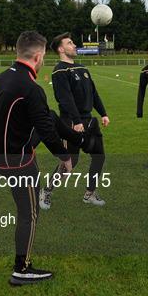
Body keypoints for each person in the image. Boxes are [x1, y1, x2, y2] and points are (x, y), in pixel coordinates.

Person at [0, 31, 82, 285]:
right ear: (37, 56)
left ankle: (78, 137)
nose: (43, 59)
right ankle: (21, 269)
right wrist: (65, 158)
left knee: (48, 115)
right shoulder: (31, 88)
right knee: (29, 213)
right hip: (18, 163)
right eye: (43, 55)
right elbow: (46, 132)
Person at [42, 32, 109, 208]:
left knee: (99, 157)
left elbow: (93, 93)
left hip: (90, 121)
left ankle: (90, 193)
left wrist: (103, 113)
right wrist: (77, 121)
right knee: (71, 161)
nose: (74, 45)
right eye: (70, 43)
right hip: (71, 123)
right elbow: (65, 99)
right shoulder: (59, 71)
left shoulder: (83, 69)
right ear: (61, 49)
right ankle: (46, 191)